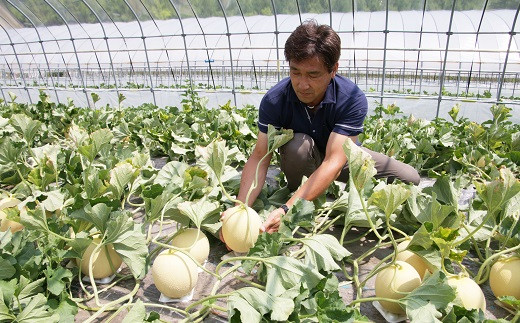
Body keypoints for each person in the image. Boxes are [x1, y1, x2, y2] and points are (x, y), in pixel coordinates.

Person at [221, 20, 420, 237]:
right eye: (295, 72)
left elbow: (335, 161)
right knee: (297, 147)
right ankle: (300, 201)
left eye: (313, 75)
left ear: (333, 69)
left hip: (342, 157)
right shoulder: (275, 100)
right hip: (302, 159)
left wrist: (284, 209)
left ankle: (300, 200)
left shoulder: (351, 98)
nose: (302, 84)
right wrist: (240, 208)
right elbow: (260, 155)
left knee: (409, 178)